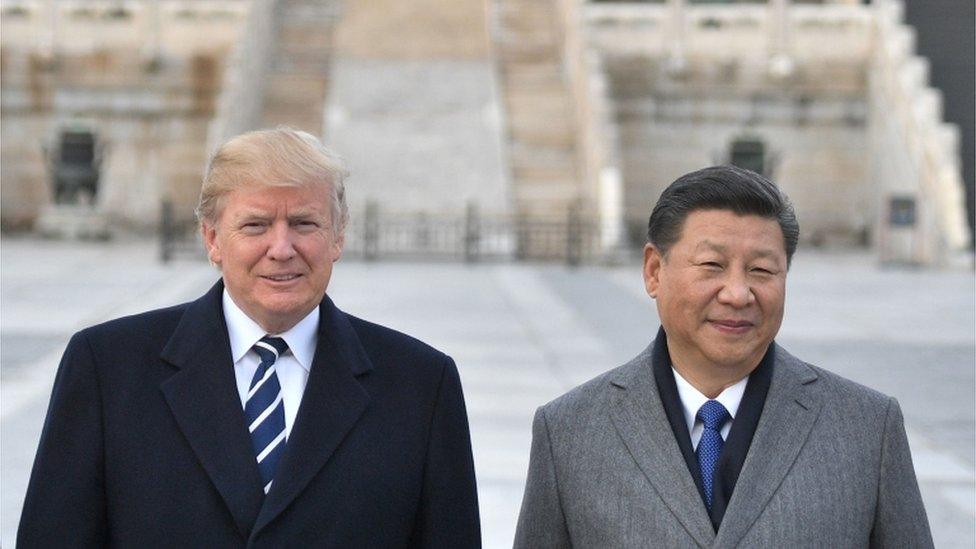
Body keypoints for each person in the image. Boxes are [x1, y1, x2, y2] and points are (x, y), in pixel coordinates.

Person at [19, 127, 481, 547]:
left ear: (338, 237)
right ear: (213, 239)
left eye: (304, 223)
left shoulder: (421, 385)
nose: (281, 249)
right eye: (256, 225)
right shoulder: (107, 368)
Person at [514, 166, 933, 548]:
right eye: (713, 264)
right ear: (654, 271)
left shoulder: (866, 428)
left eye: (762, 271)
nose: (738, 293)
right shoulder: (571, 430)